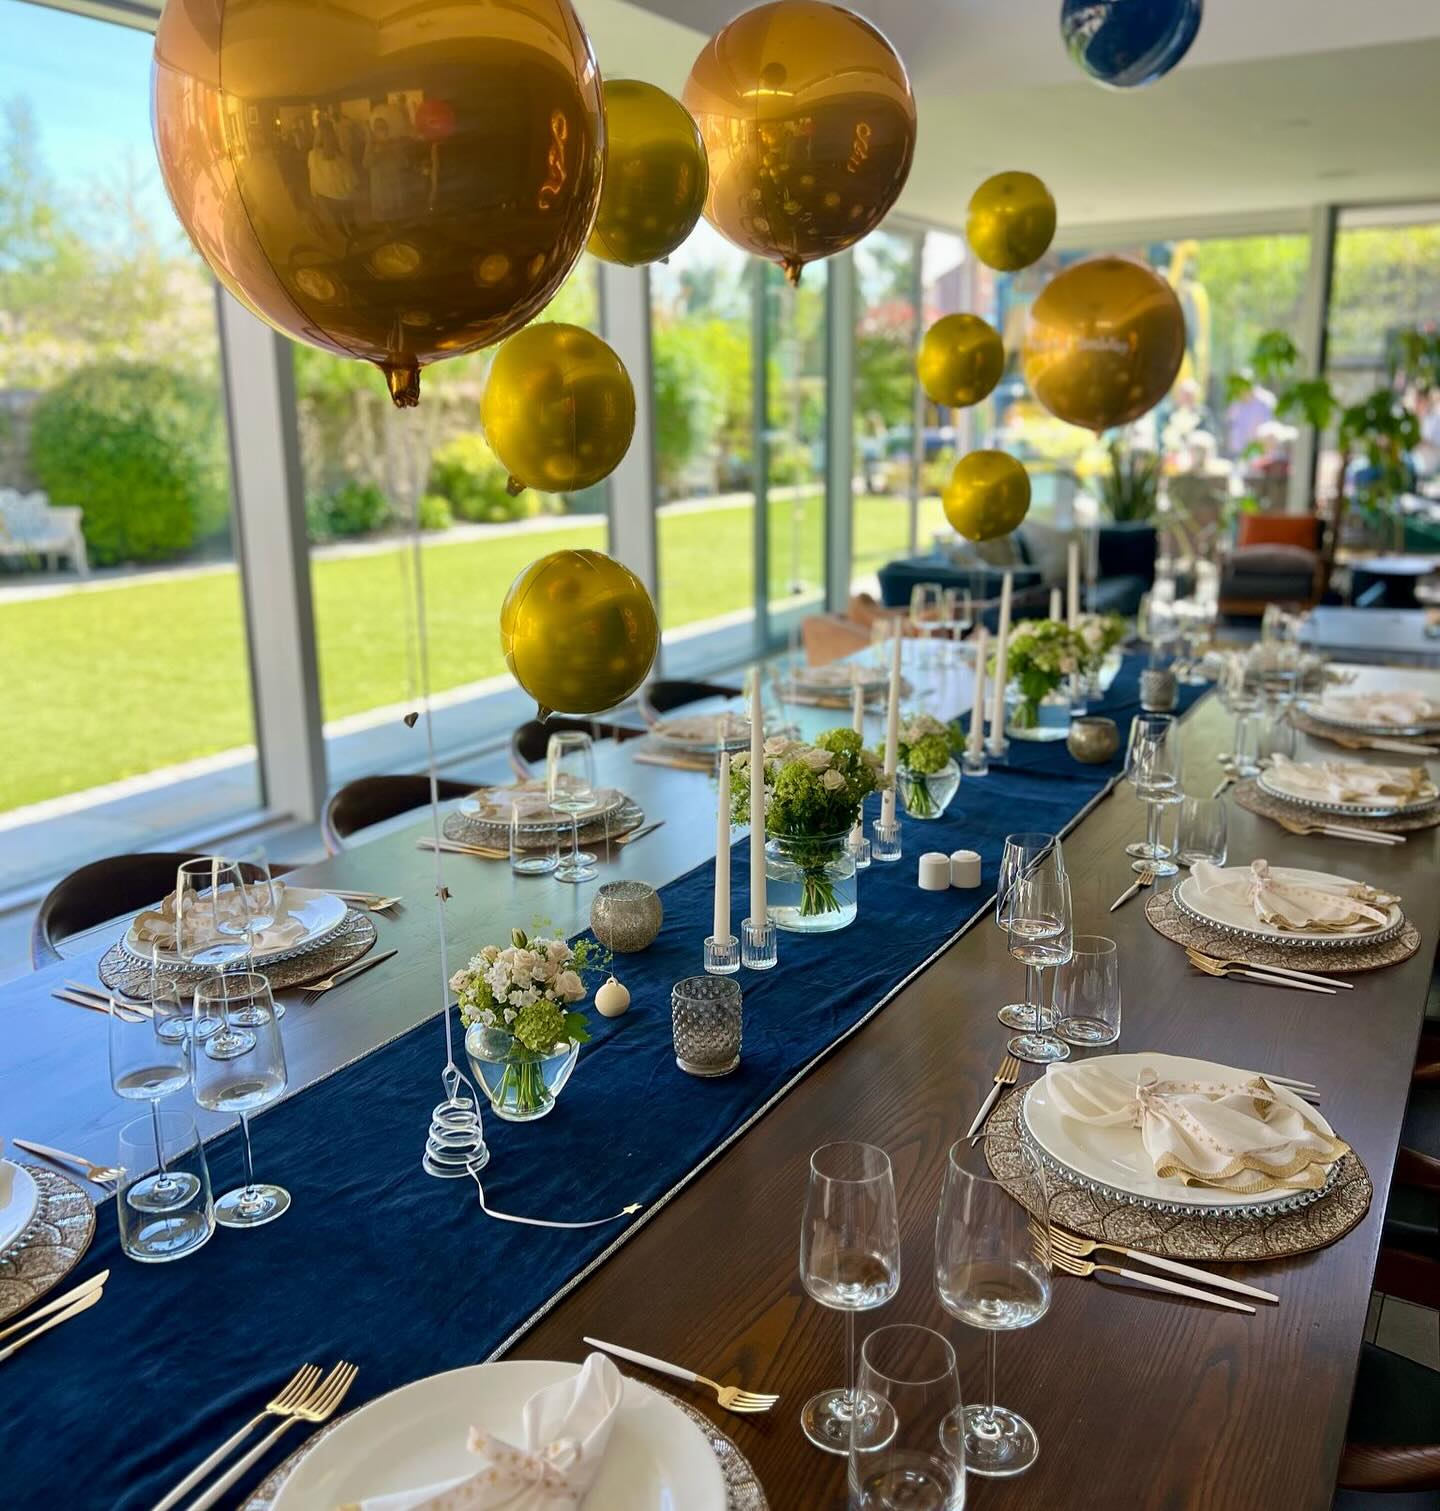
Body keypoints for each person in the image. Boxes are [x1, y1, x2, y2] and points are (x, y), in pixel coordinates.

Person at [1225, 371, 1277, 458]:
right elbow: (1231, 424)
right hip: (1237, 452)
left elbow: (1269, 428)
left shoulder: (1265, 401)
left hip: (1260, 452)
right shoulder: (1235, 402)